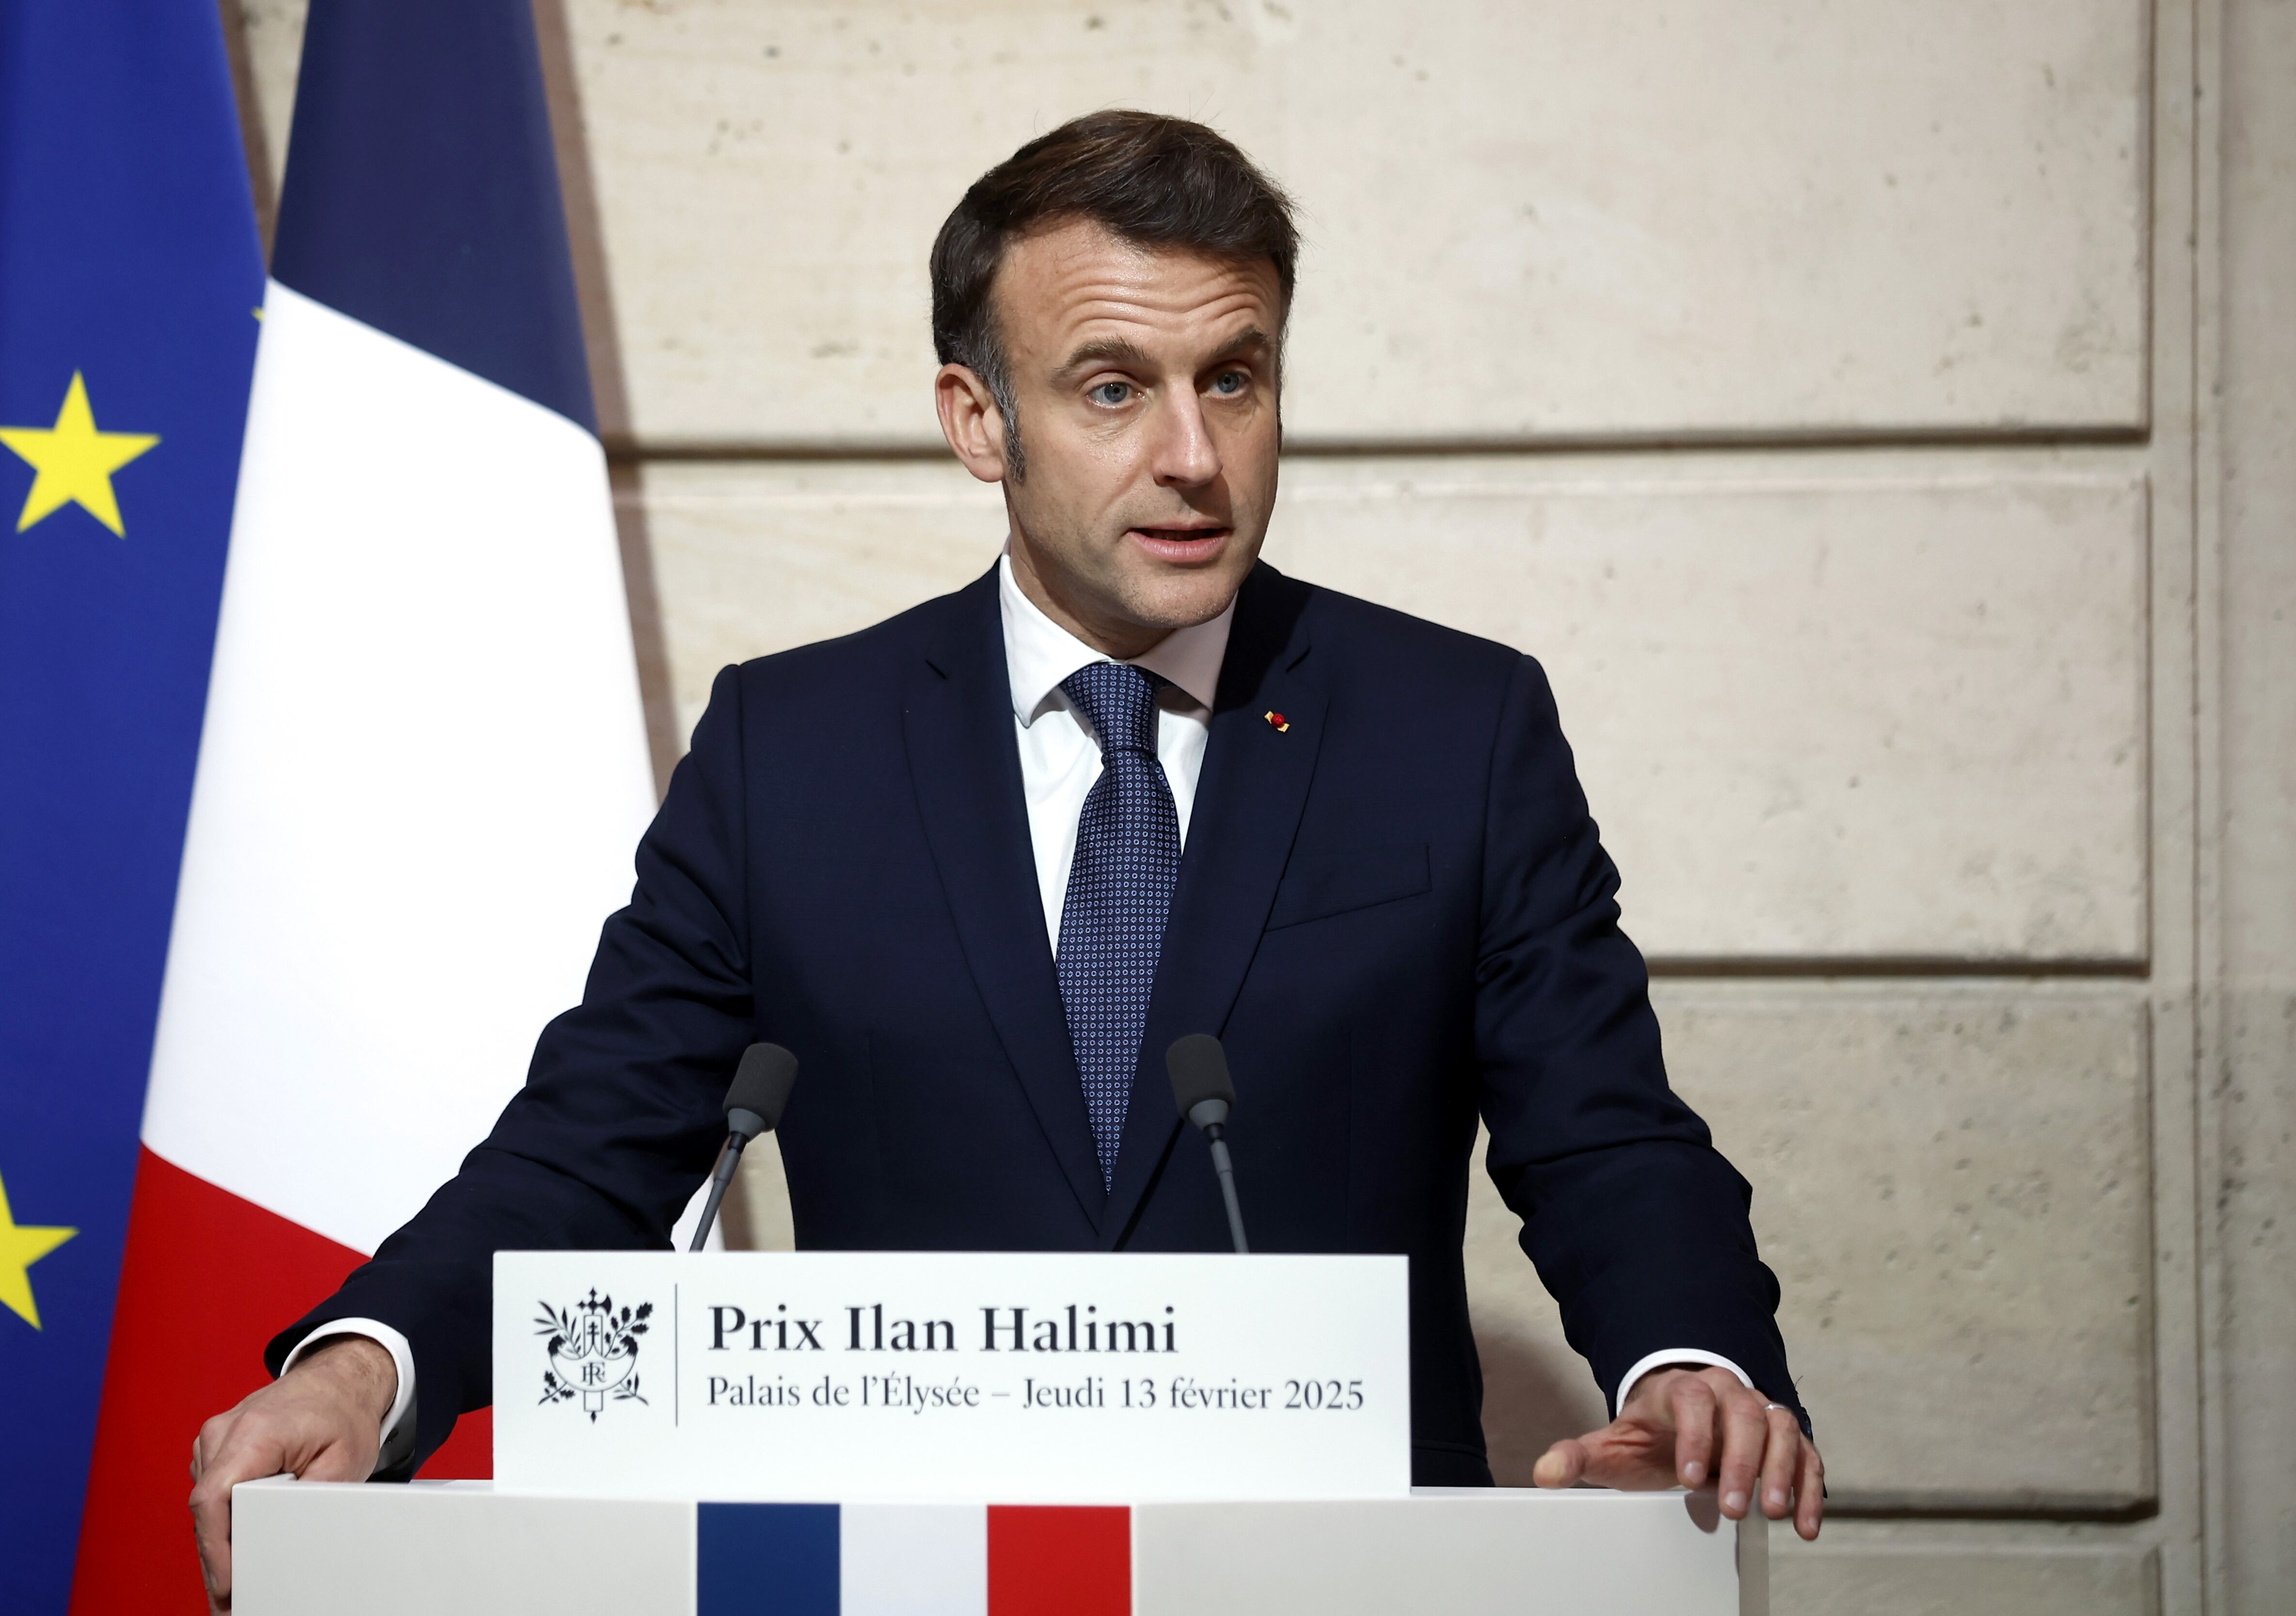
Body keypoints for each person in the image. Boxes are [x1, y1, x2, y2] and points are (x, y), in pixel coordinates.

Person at [189, 111, 1824, 1608]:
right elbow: (593, 1150)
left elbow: (1604, 1133)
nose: (1194, 455)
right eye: (1113, 388)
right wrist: (365, 1366)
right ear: (979, 421)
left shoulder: (1452, 728)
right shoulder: (790, 751)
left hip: (1332, 1576)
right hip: (905, 1571)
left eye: (1234, 378)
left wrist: (1692, 1365)